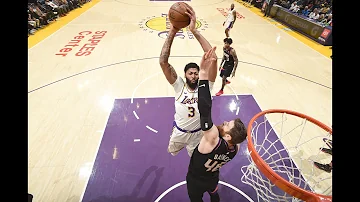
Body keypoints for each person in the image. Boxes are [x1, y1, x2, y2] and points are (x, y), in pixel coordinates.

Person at [186, 46, 247, 202]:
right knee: (214, 195)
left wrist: (204, 73)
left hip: (196, 180)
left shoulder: (212, 138)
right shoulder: (235, 147)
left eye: (227, 125)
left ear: (227, 136)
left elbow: (204, 108)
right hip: (213, 177)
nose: (225, 122)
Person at [159, 4, 215, 157]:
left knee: (195, 160)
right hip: (179, 132)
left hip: (198, 135)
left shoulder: (206, 87)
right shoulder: (179, 86)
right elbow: (163, 62)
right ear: (185, 75)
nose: (194, 76)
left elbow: (212, 57)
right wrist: (173, 30)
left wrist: (194, 30)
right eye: (190, 73)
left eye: (196, 73)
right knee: (171, 152)